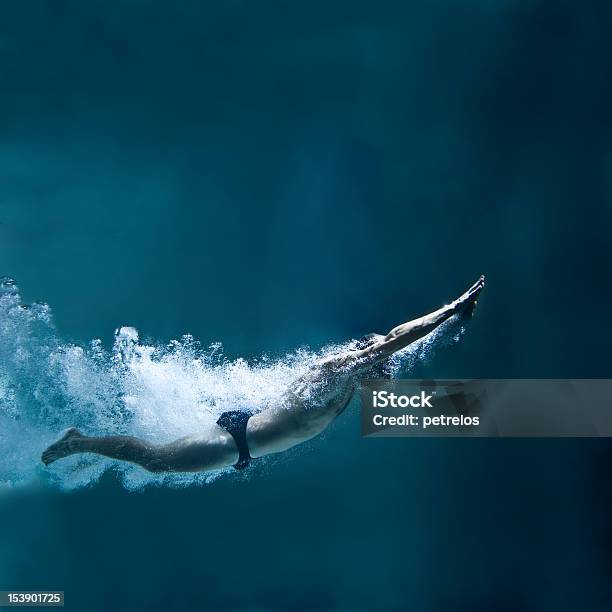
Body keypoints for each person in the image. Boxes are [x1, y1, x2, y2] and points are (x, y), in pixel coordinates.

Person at [42, 276, 485, 473]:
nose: (384, 377)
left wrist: (453, 328)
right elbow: (396, 340)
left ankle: (85, 445)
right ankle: (78, 441)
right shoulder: (336, 372)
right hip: (234, 442)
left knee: (159, 463)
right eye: (380, 367)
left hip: (245, 447)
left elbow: (396, 347)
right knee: (156, 462)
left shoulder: (350, 387)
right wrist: (448, 311)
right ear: (364, 357)